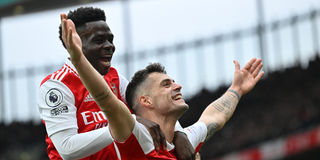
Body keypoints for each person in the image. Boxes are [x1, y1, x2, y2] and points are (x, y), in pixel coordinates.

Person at [60, 8, 264, 159]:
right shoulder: (135, 136)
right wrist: (78, 59)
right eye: (166, 84)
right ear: (145, 100)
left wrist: (236, 89)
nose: (178, 86)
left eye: (173, 82)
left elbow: (214, 117)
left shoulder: (182, 142)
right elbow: (106, 99)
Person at [38, 7, 194, 160]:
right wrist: (122, 127)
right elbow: (66, 149)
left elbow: (151, 107)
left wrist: (179, 133)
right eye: (99, 40)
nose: (109, 46)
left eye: (110, 39)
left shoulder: (115, 78)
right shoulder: (56, 86)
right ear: (73, 43)